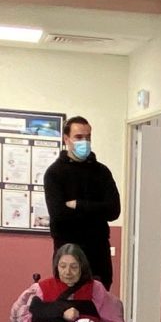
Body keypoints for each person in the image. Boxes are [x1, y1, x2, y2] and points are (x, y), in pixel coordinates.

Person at [43, 115, 120, 291]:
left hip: (98, 255)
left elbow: (114, 211)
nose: (84, 141)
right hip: (68, 253)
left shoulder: (102, 172)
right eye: (78, 137)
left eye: (88, 137)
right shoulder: (54, 174)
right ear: (66, 139)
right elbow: (59, 216)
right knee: (67, 308)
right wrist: (97, 210)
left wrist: (79, 204)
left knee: (98, 308)